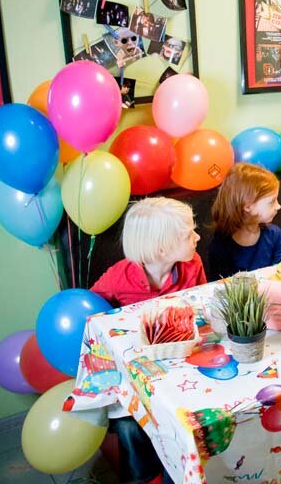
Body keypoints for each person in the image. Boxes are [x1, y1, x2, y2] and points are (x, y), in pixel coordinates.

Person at [90, 197, 206, 484]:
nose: (198, 237)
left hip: (181, 367)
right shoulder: (119, 278)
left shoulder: (192, 265)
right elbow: (92, 318)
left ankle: (176, 472)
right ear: (163, 248)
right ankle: (142, 477)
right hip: (137, 377)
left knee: (186, 422)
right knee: (128, 427)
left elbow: (202, 305)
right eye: (189, 234)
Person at [209, 163, 281, 279]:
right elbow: (221, 285)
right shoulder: (220, 246)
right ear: (248, 206)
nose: (278, 206)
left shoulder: (275, 235)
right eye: (272, 202)